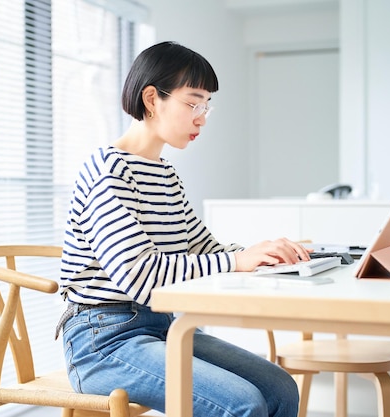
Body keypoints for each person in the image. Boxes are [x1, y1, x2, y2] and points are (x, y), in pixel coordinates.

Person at [58, 41, 308, 417]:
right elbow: (139, 276)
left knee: (280, 388)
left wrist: (264, 254)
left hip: (162, 327)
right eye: (193, 103)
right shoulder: (109, 171)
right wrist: (237, 261)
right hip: (103, 341)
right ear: (152, 99)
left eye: (207, 106)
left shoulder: (165, 174)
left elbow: (202, 249)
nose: (202, 117)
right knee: (243, 404)